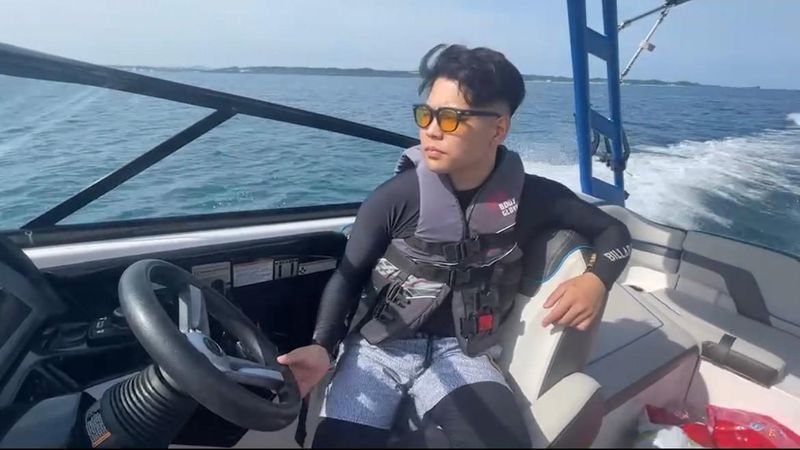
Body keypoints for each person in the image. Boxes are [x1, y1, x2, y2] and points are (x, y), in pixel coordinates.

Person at [277, 44, 632, 448]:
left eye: (450, 118)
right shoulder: (395, 198)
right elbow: (347, 277)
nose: (431, 130)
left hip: (464, 351)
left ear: (498, 129)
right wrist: (323, 346)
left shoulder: (535, 199)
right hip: (379, 348)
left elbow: (614, 233)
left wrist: (596, 281)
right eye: (425, 115)